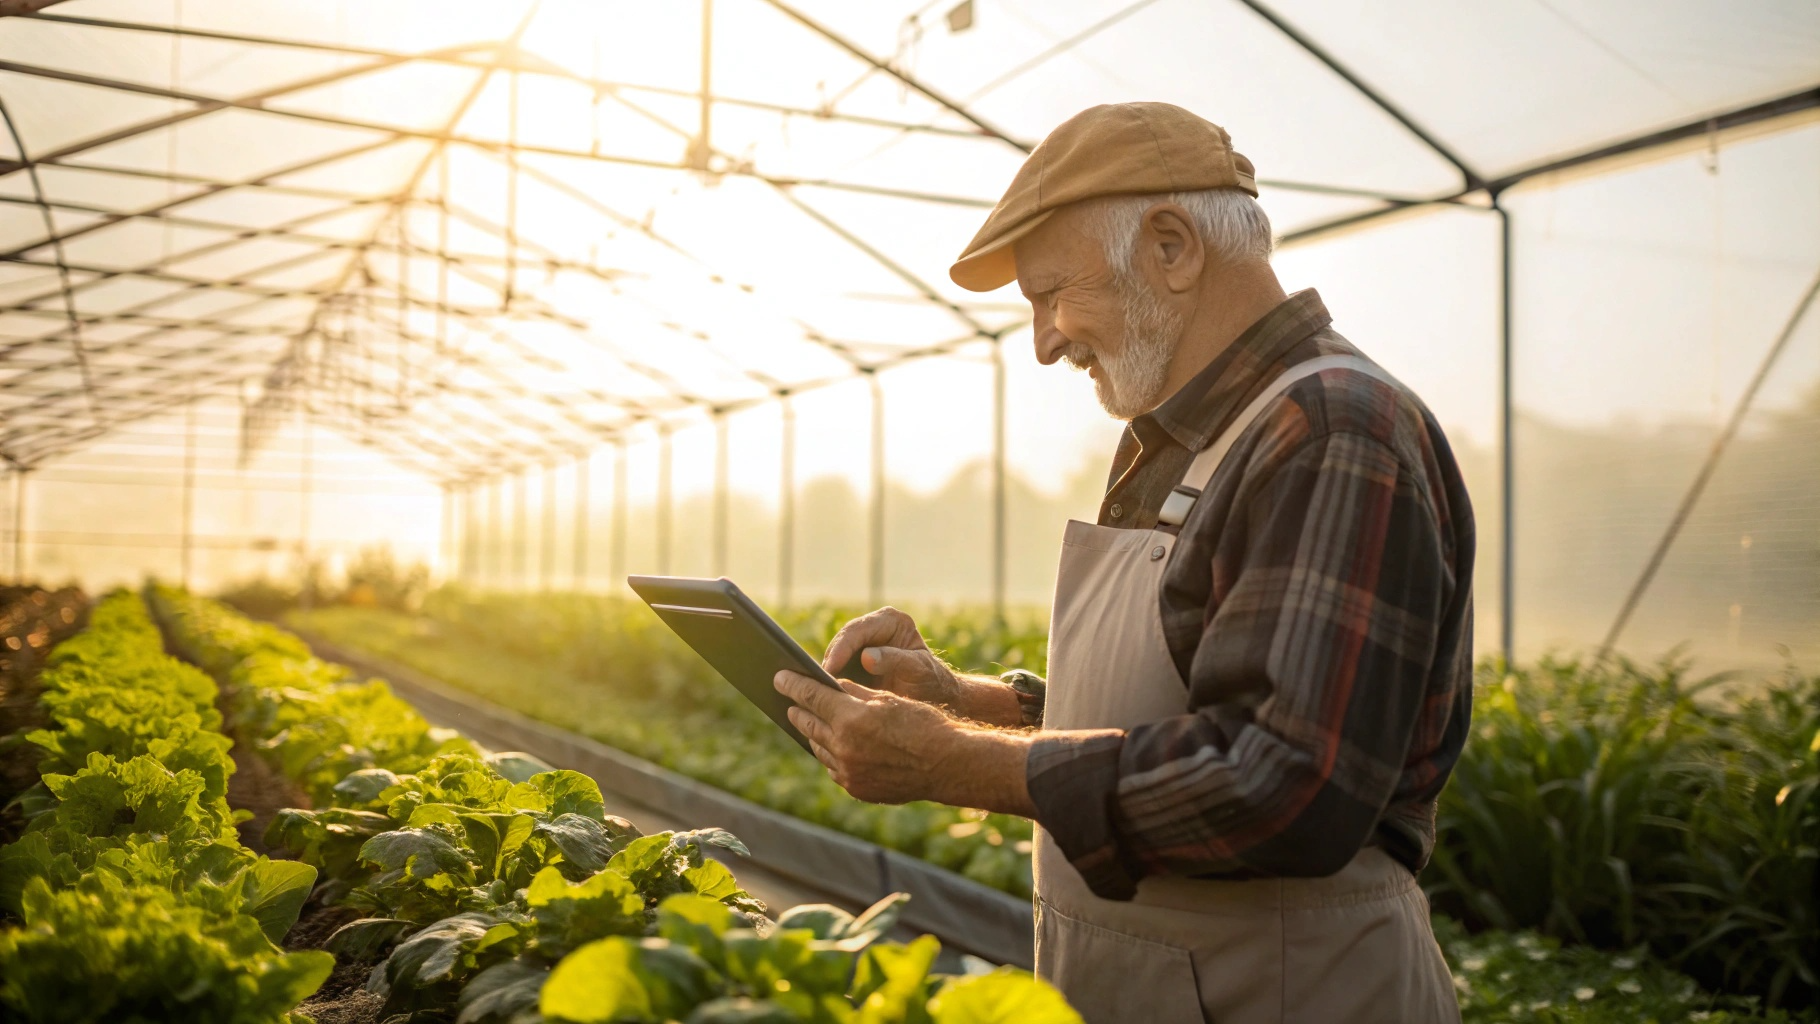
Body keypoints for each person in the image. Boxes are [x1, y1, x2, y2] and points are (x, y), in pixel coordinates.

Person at [772, 102, 1471, 1024]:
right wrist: (965, 702)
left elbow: (1285, 783)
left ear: (1172, 247)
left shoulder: (1334, 430)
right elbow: (1174, 707)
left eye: (1051, 293)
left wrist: (958, 766)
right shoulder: (1182, 437)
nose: (1045, 341)